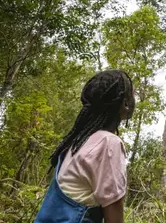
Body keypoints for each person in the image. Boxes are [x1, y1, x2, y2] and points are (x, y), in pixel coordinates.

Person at [35, 70, 135, 223]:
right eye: (132, 95)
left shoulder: (75, 143)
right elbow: (114, 217)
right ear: (126, 104)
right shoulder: (108, 143)